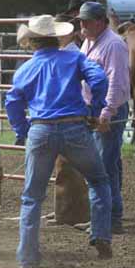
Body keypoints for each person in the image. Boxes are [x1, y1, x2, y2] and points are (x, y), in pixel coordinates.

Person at [5, 14, 113, 268]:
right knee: (98, 180)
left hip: (40, 130)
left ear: (33, 42)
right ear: (56, 37)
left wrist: (22, 131)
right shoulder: (74, 58)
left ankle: (28, 257)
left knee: (32, 196)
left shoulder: (25, 69)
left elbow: (12, 102)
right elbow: (99, 80)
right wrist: (95, 110)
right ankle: (101, 234)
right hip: (75, 128)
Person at [76, 2, 130, 235]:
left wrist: (106, 114)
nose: (82, 25)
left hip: (106, 113)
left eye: (86, 21)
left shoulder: (114, 44)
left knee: (103, 166)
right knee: (106, 164)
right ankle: (107, 217)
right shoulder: (89, 41)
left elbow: (116, 82)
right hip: (92, 111)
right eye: (81, 21)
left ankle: (109, 219)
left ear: (100, 21)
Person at [45, 13, 91, 227]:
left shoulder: (71, 56)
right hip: (66, 114)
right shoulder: (69, 54)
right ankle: (66, 211)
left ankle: (69, 213)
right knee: (65, 165)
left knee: (67, 165)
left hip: (68, 115)